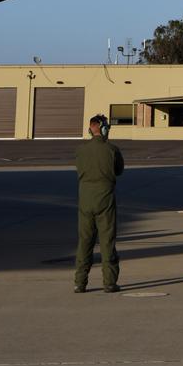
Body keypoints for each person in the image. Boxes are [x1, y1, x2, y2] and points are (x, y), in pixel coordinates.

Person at [74, 113, 124, 294]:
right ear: (103, 129)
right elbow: (119, 171)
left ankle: (80, 282)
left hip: (85, 199)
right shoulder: (112, 150)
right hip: (105, 199)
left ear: (90, 129)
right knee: (107, 240)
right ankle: (109, 282)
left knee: (85, 241)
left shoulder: (80, 150)